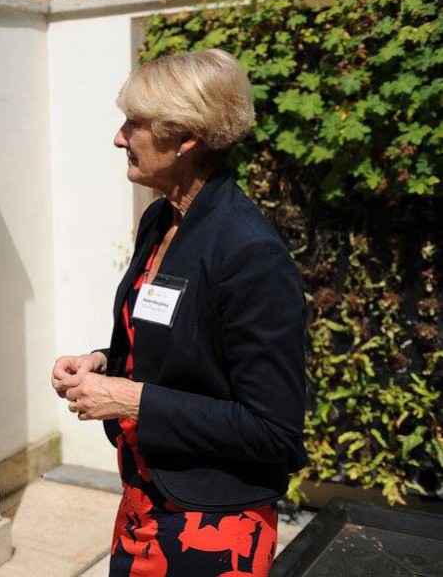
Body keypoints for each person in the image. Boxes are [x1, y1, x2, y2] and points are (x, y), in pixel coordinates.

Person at [51, 49, 307, 576]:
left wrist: (129, 398)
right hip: (146, 497)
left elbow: (273, 431)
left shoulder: (248, 252)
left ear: (186, 138)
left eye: (135, 124)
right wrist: (103, 362)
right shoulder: (161, 220)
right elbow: (170, 349)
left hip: (213, 523)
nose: (119, 138)